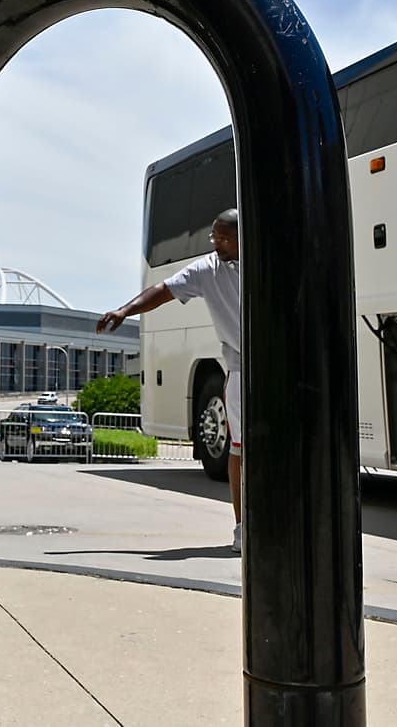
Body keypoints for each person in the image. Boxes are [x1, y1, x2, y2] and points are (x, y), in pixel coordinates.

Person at [98, 209, 243, 552]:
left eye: (223, 237)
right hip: (241, 370)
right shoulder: (207, 269)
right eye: (214, 236)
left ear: (242, 237)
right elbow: (162, 290)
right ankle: (243, 527)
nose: (216, 243)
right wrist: (124, 310)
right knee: (239, 449)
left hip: (280, 368)